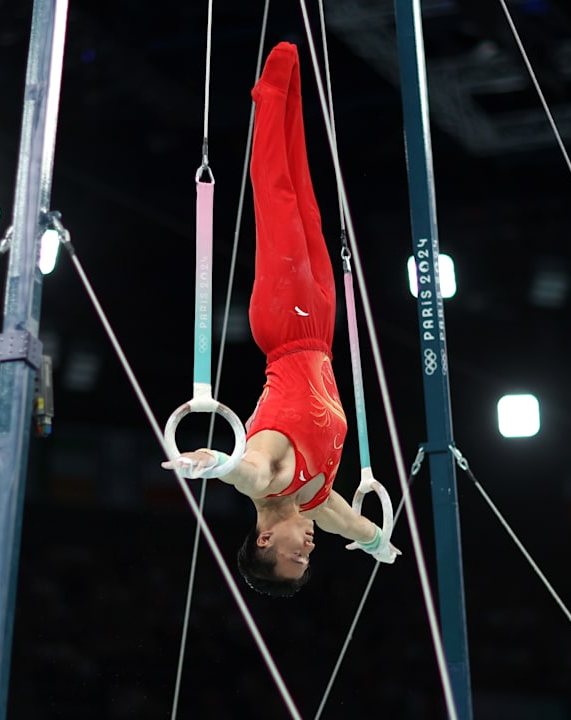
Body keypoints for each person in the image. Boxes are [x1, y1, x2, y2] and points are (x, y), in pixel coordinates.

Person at [163, 42, 400, 597]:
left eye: (295, 557)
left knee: (278, 199)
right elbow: (354, 525)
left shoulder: (268, 478)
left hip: (285, 328)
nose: (309, 551)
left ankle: (269, 94)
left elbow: (242, 469)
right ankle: (292, 94)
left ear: (265, 541)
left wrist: (211, 465)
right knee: (307, 202)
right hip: (320, 330)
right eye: (308, 561)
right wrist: (379, 546)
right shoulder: (316, 501)